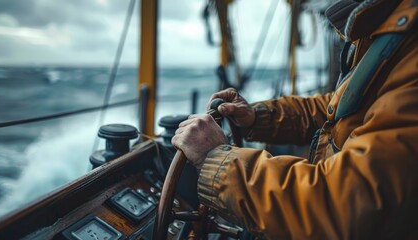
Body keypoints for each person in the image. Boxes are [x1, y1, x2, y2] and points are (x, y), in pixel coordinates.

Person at [172, 0, 418, 238]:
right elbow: (339, 106)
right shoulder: (391, 32)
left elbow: (346, 205)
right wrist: (256, 118)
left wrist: (216, 160)